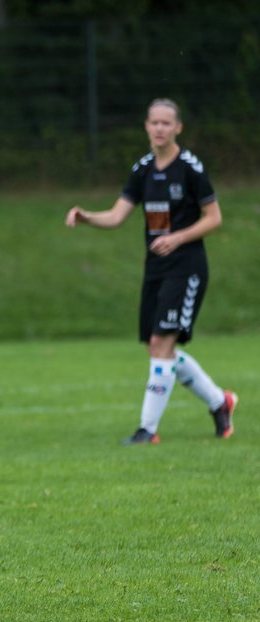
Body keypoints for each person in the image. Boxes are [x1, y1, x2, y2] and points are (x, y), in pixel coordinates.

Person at [65, 98, 236, 444]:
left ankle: (148, 430)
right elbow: (116, 216)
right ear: (146, 126)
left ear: (177, 128)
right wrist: (87, 218)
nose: (159, 128)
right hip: (156, 269)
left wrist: (177, 238)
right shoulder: (142, 169)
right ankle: (221, 402)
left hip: (187, 268)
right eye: (153, 122)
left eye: (165, 123)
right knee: (158, 348)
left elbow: (214, 218)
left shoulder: (190, 168)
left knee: (161, 343)